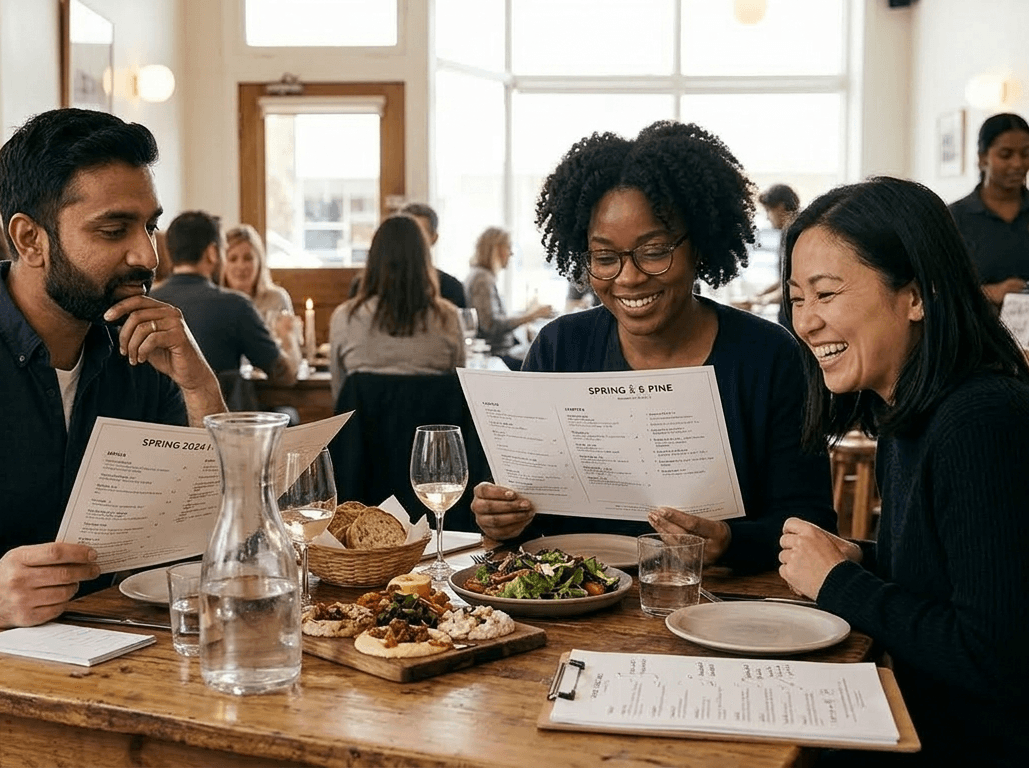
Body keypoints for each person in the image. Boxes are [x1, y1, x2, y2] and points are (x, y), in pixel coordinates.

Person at [471, 121, 836, 573]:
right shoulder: (560, 348)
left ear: (698, 246)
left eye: (654, 250)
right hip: (574, 609)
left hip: (722, 609)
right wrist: (504, 517)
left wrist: (730, 540)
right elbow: (534, 519)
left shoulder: (768, 356)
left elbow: (813, 525)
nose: (628, 277)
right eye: (605, 257)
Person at [779, 177, 1029, 766]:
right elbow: (957, 574)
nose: (805, 322)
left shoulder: (981, 418)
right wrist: (863, 556)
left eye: (826, 293)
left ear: (916, 296)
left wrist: (838, 583)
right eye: (796, 298)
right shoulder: (905, 408)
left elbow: (993, 658)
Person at [0, 108, 226, 628]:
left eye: (150, 226)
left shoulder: (145, 351)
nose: (148, 256)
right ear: (30, 239)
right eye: (114, 229)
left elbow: (227, 532)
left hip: (135, 662)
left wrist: (201, 388)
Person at [152, 211, 300, 395]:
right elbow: (284, 376)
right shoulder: (236, 305)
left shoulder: (148, 302)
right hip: (218, 419)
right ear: (212, 253)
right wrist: (289, 337)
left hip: (156, 422)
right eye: (224, 250)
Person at [328, 214, 465, 403]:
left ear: (373, 260)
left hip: (364, 432)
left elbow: (340, 396)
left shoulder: (346, 318)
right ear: (425, 261)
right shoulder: (448, 317)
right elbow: (457, 393)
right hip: (428, 430)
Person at [949, 112, 1029, 308]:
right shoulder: (955, 217)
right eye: (1006, 155)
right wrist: (991, 292)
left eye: (1026, 153)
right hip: (978, 334)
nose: (1018, 163)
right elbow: (938, 287)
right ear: (983, 158)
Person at [464, 226, 553, 369]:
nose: (511, 253)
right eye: (508, 247)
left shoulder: (481, 276)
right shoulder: (482, 279)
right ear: (497, 249)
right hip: (498, 355)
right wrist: (532, 315)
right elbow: (490, 326)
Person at [348, 202, 467, 309]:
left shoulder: (451, 288)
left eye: (418, 234)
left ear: (434, 238)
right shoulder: (366, 286)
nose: (410, 242)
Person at [222, 223, 301, 348]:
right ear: (223, 264)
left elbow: (291, 349)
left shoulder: (277, 299)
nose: (241, 266)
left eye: (248, 258)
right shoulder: (216, 302)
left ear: (259, 262)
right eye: (233, 259)